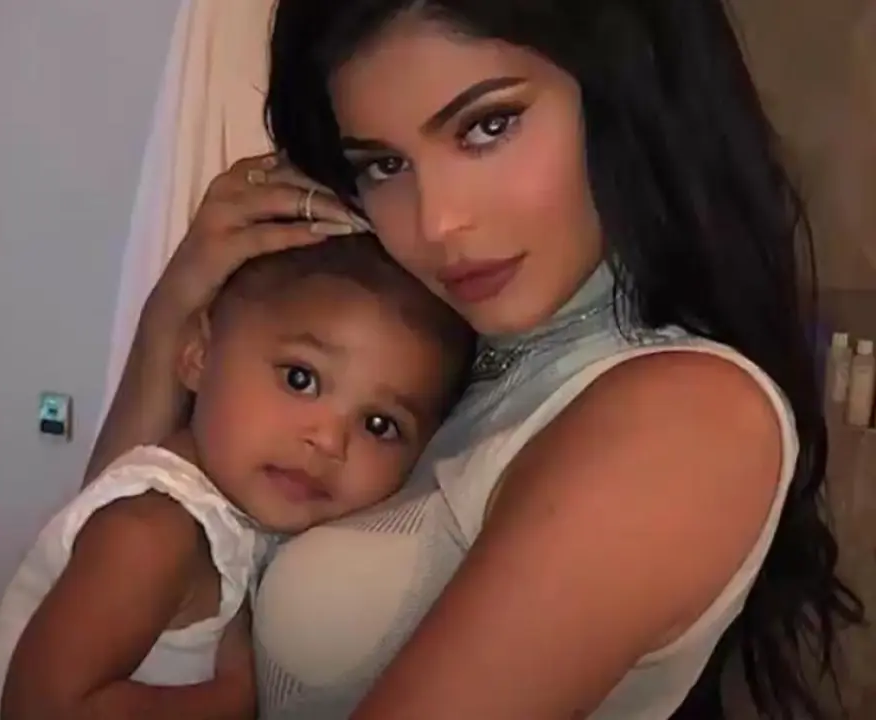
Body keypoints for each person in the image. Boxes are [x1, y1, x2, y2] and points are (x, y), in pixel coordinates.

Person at [88, 0, 866, 718]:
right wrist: (174, 313)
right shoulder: (440, 349)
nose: (438, 222)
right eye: (383, 164)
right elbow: (95, 572)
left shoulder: (684, 414)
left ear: (623, 92)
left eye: (488, 126)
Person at [0, 233, 473, 719]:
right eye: (300, 379)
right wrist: (236, 700)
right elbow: (41, 709)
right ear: (198, 354)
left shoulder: (239, 519)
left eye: (379, 425)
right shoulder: (153, 529)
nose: (328, 440)